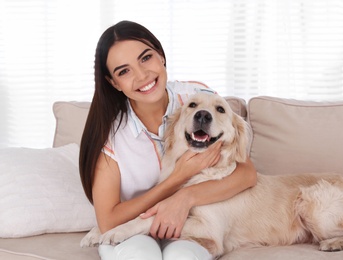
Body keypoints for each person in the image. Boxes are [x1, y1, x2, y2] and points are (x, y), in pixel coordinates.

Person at [79, 20, 257, 260]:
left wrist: (185, 198)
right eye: (124, 71)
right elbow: (109, 220)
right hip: (131, 229)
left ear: (161, 56)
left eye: (145, 58)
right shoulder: (110, 135)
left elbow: (247, 174)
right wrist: (178, 179)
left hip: (191, 224)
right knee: (140, 254)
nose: (142, 75)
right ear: (114, 83)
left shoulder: (197, 98)